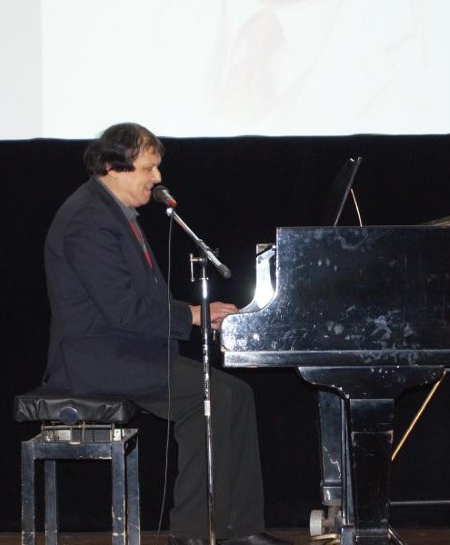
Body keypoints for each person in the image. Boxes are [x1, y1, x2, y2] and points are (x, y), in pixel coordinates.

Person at [42, 122, 289, 545]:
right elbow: (122, 309)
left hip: (126, 353)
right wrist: (192, 315)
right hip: (98, 361)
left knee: (236, 394)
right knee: (213, 397)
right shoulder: (88, 219)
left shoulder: (111, 212)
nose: (157, 178)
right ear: (111, 167)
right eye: (148, 168)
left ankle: (240, 529)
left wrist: (197, 315)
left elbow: (140, 300)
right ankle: (192, 534)